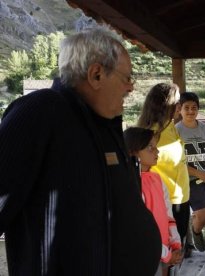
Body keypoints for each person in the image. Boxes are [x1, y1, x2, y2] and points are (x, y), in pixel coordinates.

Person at [0, 27, 161, 275]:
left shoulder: (106, 124)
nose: (131, 88)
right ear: (96, 74)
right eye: (127, 78)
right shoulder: (40, 112)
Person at [123, 127, 183, 276]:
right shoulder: (131, 184)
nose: (157, 151)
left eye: (156, 147)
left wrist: (175, 243)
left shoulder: (157, 179)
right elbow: (141, 230)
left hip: (163, 251)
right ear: (133, 151)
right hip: (145, 254)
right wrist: (165, 254)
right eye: (150, 147)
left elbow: (168, 215)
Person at [137, 83, 190, 244]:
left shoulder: (171, 126)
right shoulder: (150, 133)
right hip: (164, 202)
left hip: (181, 197)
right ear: (166, 105)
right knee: (167, 250)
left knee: (177, 250)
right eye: (177, 103)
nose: (180, 106)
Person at [175, 92, 205, 263]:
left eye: (194, 108)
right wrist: (197, 173)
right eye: (186, 108)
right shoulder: (176, 131)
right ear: (180, 109)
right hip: (190, 180)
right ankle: (195, 230)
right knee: (204, 214)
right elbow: (177, 162)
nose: (190, 111)